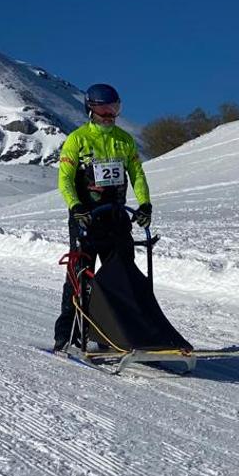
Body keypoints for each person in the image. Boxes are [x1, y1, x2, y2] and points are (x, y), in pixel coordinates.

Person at [52, 83, 153, 351]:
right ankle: (66, 334)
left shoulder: (124, 139)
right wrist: (75, 206)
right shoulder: (77, 139)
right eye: (103, 109)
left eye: (114, 109)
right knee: (80, 276)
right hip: (86, 217)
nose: (109, 115)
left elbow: (137, 174)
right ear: (90, 110)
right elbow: (64, 179)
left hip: (116, 217)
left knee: (121, 275)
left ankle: (116, 332)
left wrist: (145, 204)